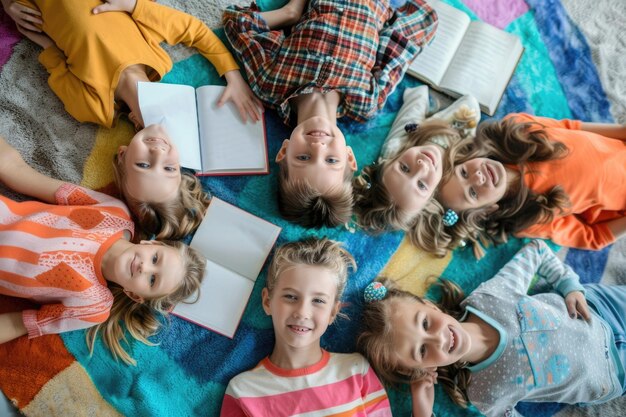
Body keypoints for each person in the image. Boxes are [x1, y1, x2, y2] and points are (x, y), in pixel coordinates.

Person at [223, 0, 438, 227]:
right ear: (349, 158)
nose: (318, 147)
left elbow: (237, 23)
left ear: (284, 151)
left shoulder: (271, 83)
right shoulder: (366, 103)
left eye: (303, 158)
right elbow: (413, 32)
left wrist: (290, 12)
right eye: (331, 160)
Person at [357, 240, 626, 417]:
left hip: (603, 307)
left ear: (431, 306)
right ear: (422, 369)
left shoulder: (489, 297)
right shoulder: (484, 393)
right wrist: (422, 409)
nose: (438, 338)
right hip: (612, 376)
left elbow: (537, 251)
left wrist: (569, 285)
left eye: (425, 323)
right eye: (423, 351)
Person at [0, 136, 206, 365]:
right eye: (155, 259)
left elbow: (18, 324)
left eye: (152, 280)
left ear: (134, 295)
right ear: (151, 244)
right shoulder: (114, 213)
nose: (144, 267)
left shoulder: (93, 307)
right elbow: (21, 173)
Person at [1, 0, 262, 128]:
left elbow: (54, 60)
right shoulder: (157, 58)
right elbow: (194, 30)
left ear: (136, 121)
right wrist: (234, 76)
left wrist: (10, 6)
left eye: (159, 119)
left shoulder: (96, 108)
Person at [220, 238, 391, 416]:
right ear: (267, 301)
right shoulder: (242, 392)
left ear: (333, 312)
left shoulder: (357, 371)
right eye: (291, 297)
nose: (302, 312)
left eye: (318, 300)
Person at [436, 113, 626, 257]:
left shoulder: (516, 127)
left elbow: (571, 127)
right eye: (472, 193)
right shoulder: (530, 218)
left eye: (463, 173)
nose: (477, 177)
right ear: (486, 210)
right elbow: (594, 237)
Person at [353, 86, 479, 256]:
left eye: (404, 168)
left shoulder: (396, 146)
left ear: (389, 161)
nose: (422, 165)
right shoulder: (460, 168)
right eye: (421, 185)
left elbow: (417, 94)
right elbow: (471, 103)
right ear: (433, 195)